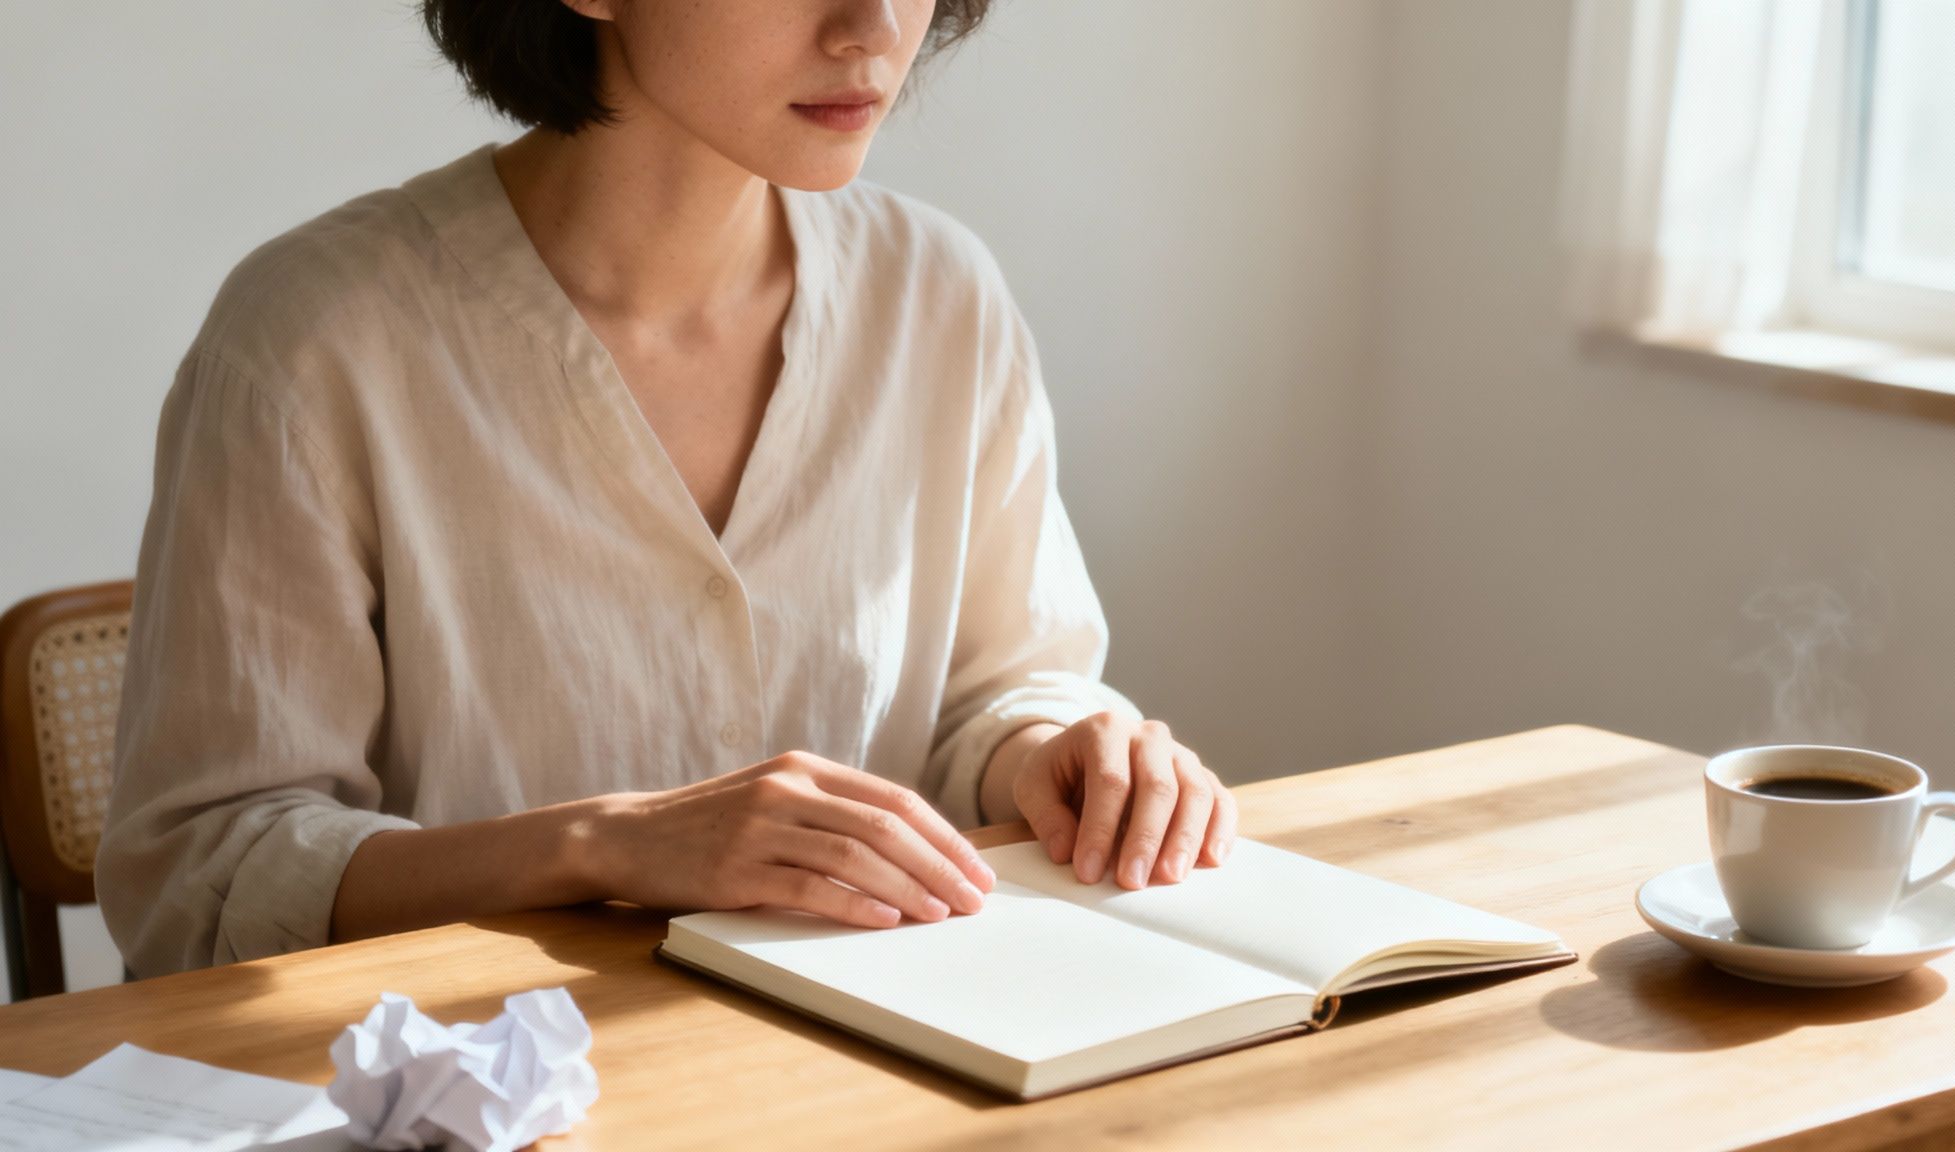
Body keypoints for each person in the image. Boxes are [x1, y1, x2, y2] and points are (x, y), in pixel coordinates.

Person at [97, 0, 1235, 978]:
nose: (873, 29)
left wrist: (1053, 751)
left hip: (877, 1077)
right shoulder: (315, 340)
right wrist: (601, 845)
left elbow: (998, 686)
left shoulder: (937, 296)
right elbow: (203, 874)